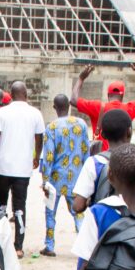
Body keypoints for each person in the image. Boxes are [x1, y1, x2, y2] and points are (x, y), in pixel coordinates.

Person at [67, 109, 135, 270]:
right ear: (129, 132)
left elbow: (78, 204)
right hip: (134, 239)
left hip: (100, 236)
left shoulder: (95, 163)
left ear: (102, 134)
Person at [0, 81, 46, 258]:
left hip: (3, 167)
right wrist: (36, 157)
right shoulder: (35, 113)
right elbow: (39, 138)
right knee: (20, 207)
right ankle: (18, 247)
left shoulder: (2, 112)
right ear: (26, 94)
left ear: (10, 95)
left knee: (1, 205)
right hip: (23, 168)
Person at [39, 93, 91, 257]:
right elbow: (86, 151)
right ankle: (85, 246)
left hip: (56, 177)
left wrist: (45, 181)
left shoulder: (52, 127)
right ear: (69, 106)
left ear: (54, 107)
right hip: (76, 177)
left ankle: (49, 246)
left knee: (50, 212)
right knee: (78, 212)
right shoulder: (81, 124)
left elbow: (48, 156)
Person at [72, 58, 135, 145]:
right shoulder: (129, 109)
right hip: (120, 153)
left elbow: (73, 100)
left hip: (101, 153)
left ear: (108, 95)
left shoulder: (97, 107)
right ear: (122, 96)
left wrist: (81, 78)